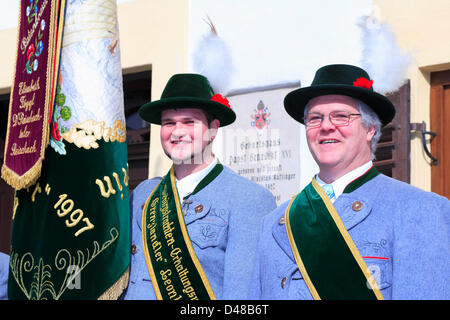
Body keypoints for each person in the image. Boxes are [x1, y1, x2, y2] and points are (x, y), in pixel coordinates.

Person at [249, 64, 450, 300]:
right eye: (315, 118)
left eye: (341, 116)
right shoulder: (273, 223)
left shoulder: (421, 210)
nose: (325, 126)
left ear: (370, 130)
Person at [122, 73, 276, 300]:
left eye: (189, 122)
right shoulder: (143, 193)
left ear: (213, 129)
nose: (177, 132)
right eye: (168, 123)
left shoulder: (249, 198)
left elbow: (241, 296)